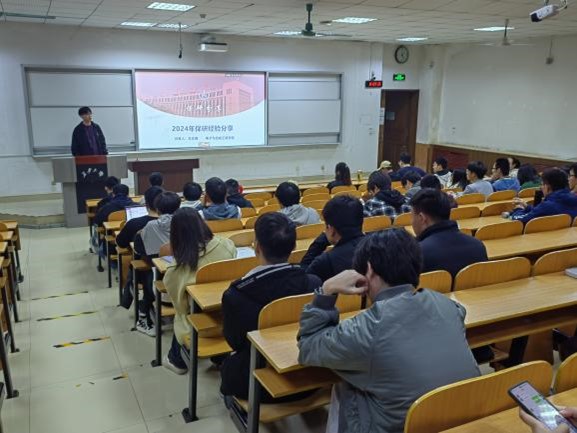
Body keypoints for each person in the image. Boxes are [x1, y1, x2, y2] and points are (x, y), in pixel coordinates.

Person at [297, 228, 480, 433]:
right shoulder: (447, 306)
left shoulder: (368, 328)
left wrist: (327, 290)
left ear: (368, 270)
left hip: (401, 428)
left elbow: (308, 346)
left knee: (346, 381)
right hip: (459, 422)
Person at [220, 213, 321, 399]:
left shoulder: (235, 295)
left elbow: (234, 342)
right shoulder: (314, 284)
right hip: (309, 375)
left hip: (257, 385)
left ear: (256, 246)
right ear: (294, 246)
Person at [163, 207, 236, 374]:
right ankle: (220, 357)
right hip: (229, 312)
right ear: (202, 224)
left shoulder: (176, 269)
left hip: (199, 323)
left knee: (182, 315)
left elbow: (180, 306)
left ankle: (177, 361)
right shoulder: (226, 244)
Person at [133, 191, 181, 336]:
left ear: (157, 209)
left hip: (162, 282)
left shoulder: (150, 226)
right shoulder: (187, 223)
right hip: (185, 278)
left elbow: (139, 250)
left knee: (146, 268)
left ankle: (143, 316)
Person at [410, 188, 488, 278]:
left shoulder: (417, 254)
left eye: (412, 216)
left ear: (422, 218)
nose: (411, 221)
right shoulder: (478, 246)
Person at [301, 195, 365, 282]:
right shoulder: (377, 246)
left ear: (331, 229)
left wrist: (320, 241)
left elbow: (304, 278)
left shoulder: (325, 261)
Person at [510, 168, 577, 224]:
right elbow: (541, 212)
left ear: (548, 186)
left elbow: (520, 220)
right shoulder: (574, 199)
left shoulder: (547, 205)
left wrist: (518, 209)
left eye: (542, 184)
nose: (541, 187)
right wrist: (527, 207)